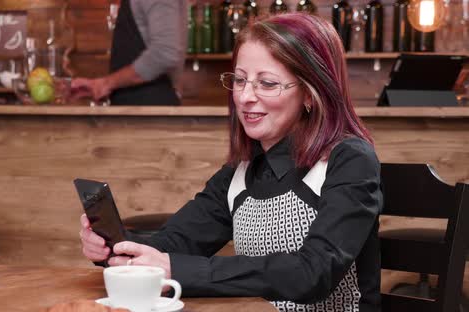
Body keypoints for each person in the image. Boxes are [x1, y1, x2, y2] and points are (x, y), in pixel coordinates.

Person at [79, 13, 382, 311]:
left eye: (266, 83)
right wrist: (115, 247)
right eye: (239, 80)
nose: (245, 96)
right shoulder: (240, 172)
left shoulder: (350, 159)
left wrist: (177, 270)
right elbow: (174, 244)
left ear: (309, 94)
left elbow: (312, 273)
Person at [70, 0, 187, 106]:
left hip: (151, 115)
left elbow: (165, 53)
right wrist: (101, 85)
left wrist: (107, 83)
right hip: (137, 111)